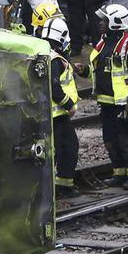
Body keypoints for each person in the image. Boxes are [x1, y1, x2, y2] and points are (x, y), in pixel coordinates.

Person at [74, 4, 128, 190]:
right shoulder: (103, 43)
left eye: (104, 20)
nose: (100, 24)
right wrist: (85, 72)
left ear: (114, 23)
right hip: (106, 102)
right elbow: (101, 71)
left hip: (123, 104)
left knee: (127, 140)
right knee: (111, 140)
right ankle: (120, 173)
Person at [40, 17, 80, 198]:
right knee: (68, 148)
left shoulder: (43, 53)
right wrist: (69, 105)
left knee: (59, 149)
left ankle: (62, 184)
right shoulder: (56, 59)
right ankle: (63, 185)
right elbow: (54, 87)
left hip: (49, 114)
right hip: (58, 114)